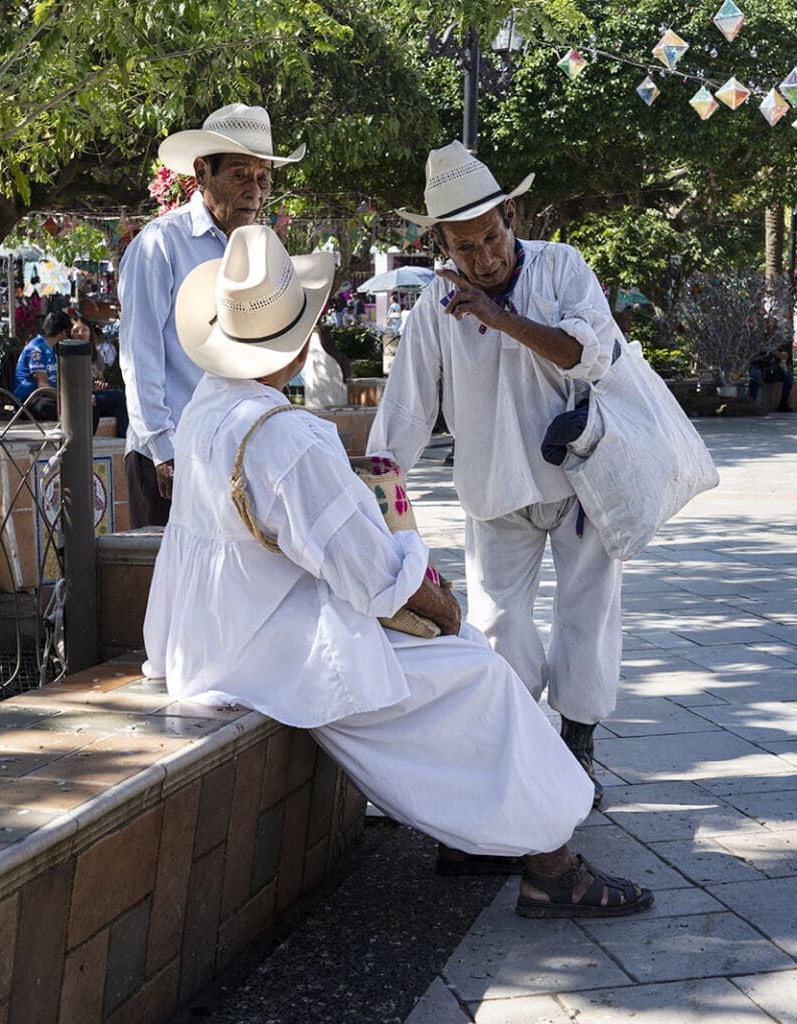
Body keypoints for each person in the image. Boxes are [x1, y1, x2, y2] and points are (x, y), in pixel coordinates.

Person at [145, 224, 652, 917]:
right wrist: (443, 611)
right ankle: (550, 867)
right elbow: (375, 574)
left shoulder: (207, 409)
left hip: (210, 638)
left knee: (479, 658)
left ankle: (480, 834)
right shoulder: (286, 438)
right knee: (480, 673)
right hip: (272, 655)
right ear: (295, 343)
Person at [368, 142, 626, 807]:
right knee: (497, 623)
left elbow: (586, 355)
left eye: (492, 238)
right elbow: (406, 410)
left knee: (587, 613)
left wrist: (500, 317)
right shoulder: (434, 306)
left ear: (511, 215)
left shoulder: (562, 267)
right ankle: (519, 740)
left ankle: (577, 744)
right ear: (443, 247)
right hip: (493, 488)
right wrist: (376, 498)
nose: (483, 258)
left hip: (580, 481)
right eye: (464, 248)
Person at [118, 103, 304, 528]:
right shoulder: (161, 244)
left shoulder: (260, 249)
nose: (254, 190)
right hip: (169, 454)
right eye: (239, 175)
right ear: (202, 173)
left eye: (262, 178)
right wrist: (163, 451)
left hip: (235, 450)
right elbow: (139, 355)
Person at [14, 310, 129, 436]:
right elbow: (43, 386)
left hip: (51, 396)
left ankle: (121, 443)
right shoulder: (37, 349)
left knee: (101, 410)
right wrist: (68, 400)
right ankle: (75, 448)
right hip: (32, 400)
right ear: (64, 333)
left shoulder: (52, 349)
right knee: (81, 413)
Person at [748, 335, 795, 412]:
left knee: (789, 377)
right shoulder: (755, 340)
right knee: (755, 376)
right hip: (758, 367)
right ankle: (754, 405)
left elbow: (785, 356)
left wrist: (775, 352)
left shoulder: (777, 342)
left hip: (772, 368)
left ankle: (783, 404)